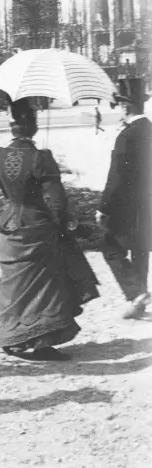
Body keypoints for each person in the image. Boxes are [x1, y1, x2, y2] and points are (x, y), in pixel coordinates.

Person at [0, 98, 99, 361]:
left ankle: (12, 336)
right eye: (35, 121)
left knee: (15, 285)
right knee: (46, 284)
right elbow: (56, 200)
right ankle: (40, 344)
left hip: (8, 226)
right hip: (37, 227)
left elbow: (6, 192)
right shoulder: (41, 157)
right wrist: (66, 224)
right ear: (29, 125)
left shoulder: (0, 156)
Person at [97, 78, 152, 319]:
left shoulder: (126, 136)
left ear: (126, 107)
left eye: (120, 104)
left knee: (110, 246)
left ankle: (136, 292)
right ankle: (139, 299)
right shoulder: (149, 128)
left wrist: (103, 207)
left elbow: (116, 176)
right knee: (141, 250)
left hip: (126, 205)